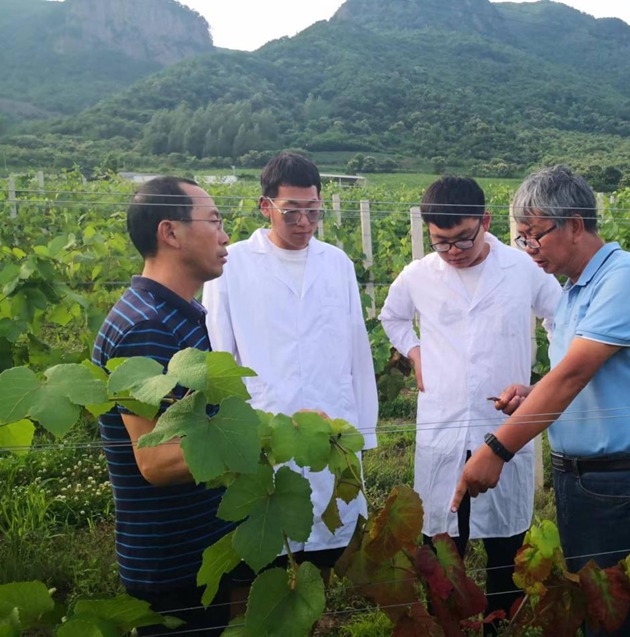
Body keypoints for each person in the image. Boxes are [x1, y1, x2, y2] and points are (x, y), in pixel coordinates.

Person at [451, 165, 630, 636]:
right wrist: (535, 393)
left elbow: (573, 376)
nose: (528, 249)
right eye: (522, 238)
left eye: (535, 235)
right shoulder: (573, 291)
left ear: (575, 225)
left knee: (623, 622)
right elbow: (579, 375)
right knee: (595, 613)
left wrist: (496, 450)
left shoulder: (629, 277)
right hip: (581, 479)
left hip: (623, 483)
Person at [379, 176, 562, 624]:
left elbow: (561, 317)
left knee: (506, 550)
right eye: (441, 243)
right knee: (443, 550)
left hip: (504, 424)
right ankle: (448, 628)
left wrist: (550, 380)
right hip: (443, 426)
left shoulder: (522, 270)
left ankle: (500, 625)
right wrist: (416, 353)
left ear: (485, 221)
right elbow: (392, 317)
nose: (454, 251)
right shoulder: (419, 275)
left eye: (463, 238)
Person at [202, 151, 378, 576]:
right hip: (267, 425)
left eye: (313, 211)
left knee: (329, 546)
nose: (304, 223)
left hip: (331, 424)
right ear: (266, 206)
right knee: (268, 550)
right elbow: (220, 356)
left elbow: (357, 349)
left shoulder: (337, 263)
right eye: (291, 212)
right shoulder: (232, 265)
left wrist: (365, 430)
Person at [92, 177, 234, 635]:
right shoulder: (146, 327)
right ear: (170, 232)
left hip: (191, 553)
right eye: (214, 221)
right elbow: (156, 460)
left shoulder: (173, 313)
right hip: (172, 565)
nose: (225, 236)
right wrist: (255, 442)